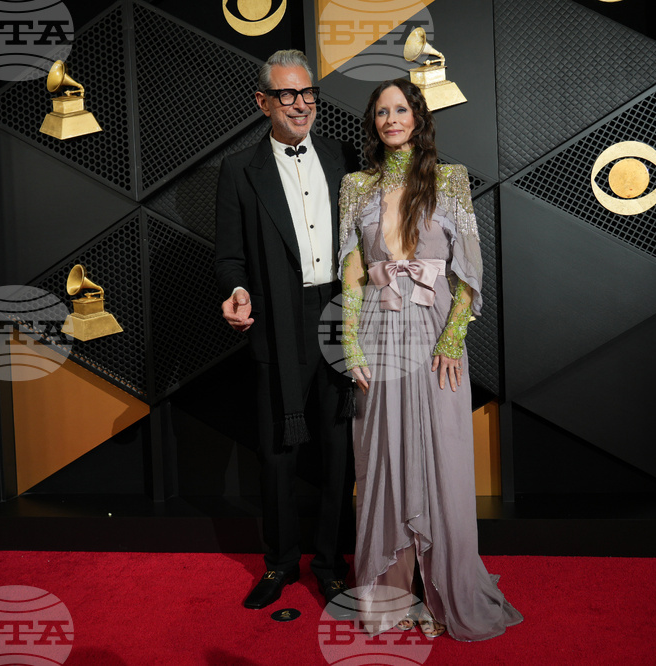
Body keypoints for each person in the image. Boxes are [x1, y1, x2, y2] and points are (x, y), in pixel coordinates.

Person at [338, 79, 523, 640]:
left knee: (442, 456)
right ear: (372, 122)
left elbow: (469, 270)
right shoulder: (355, 185)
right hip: (378, 334)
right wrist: (347, 341)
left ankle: (446, 593)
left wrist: (451, 339)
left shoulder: (451, 179)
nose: (390, 119)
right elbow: (349, 269)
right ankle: (392, 596)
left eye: (399, 109)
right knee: (382, 460)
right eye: (380, 112)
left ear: (417, 117)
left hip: (439, 333)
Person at [215, 49, 357, 611]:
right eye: (287, 95)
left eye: (307, 94)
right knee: (278, 450)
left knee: (338, 446)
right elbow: (229, 257)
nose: (301, 105)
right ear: (263, 102)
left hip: (340, 311)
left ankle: (331, 562)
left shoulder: (344, 156)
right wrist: (236, 292)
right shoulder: (238, 171)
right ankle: (279, 563)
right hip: (276, 311)